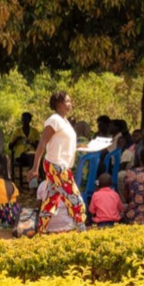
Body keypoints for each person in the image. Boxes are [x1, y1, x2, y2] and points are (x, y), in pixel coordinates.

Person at [30, 91, 87, 235]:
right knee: (75, 198)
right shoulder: (54, 120)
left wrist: (83, 147)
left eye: (69, 101)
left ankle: (41, 232)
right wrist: (35, 168)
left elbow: (63, 144)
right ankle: (82, 231)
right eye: (66, 101)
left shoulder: (65, 121)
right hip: (56, 165)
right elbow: (42, 142)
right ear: (58, 103)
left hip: (59, 164)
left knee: (51, 199)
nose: (69, 104)